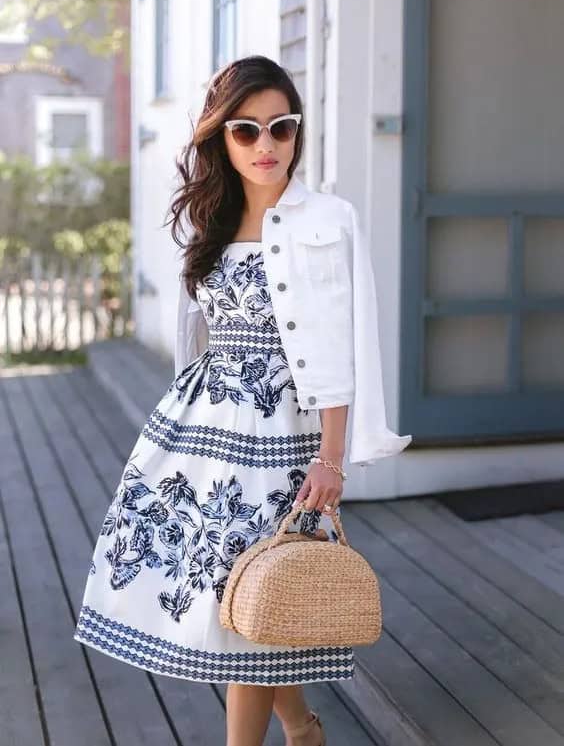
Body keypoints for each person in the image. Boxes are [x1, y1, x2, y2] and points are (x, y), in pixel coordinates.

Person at [73, 54, 411, 746]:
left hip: (285, 433)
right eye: (247, 131)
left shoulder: (329, 219)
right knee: (239, 598)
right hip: (201, 433)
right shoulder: (209, 220)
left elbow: (347, 344)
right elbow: (192, 336)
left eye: (281, 128)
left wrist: (334, 457)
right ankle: (304, 727)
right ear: (222, 138)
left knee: (252, 599)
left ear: (297, 133)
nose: (266, 146)